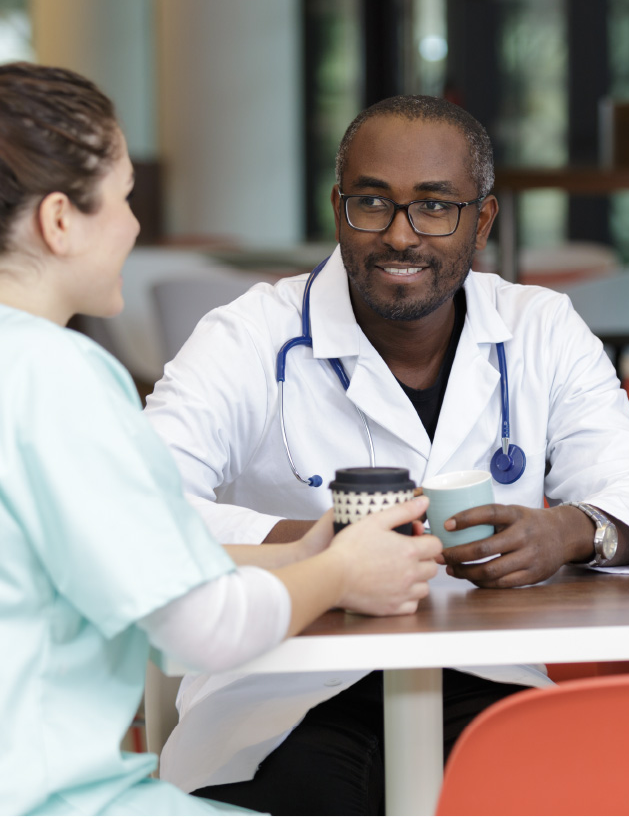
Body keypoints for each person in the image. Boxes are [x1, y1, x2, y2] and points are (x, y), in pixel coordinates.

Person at [144, 94, 629, 814]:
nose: (401, 235)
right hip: (280, 686)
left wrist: (568, 529)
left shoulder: (539, 329)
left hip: (483, 679)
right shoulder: (248, 336)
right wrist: (315, 550)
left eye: (434, 207)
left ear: (481, 220)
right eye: (372, 203)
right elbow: (141, 504)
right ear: (338, 209)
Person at [0, 62, 442, 817]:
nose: (136, 226)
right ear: (59, 220)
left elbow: (115, 551)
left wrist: (301, 554)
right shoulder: (59, 377)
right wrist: (340, 575)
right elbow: (203, 625)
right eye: (124, 197)